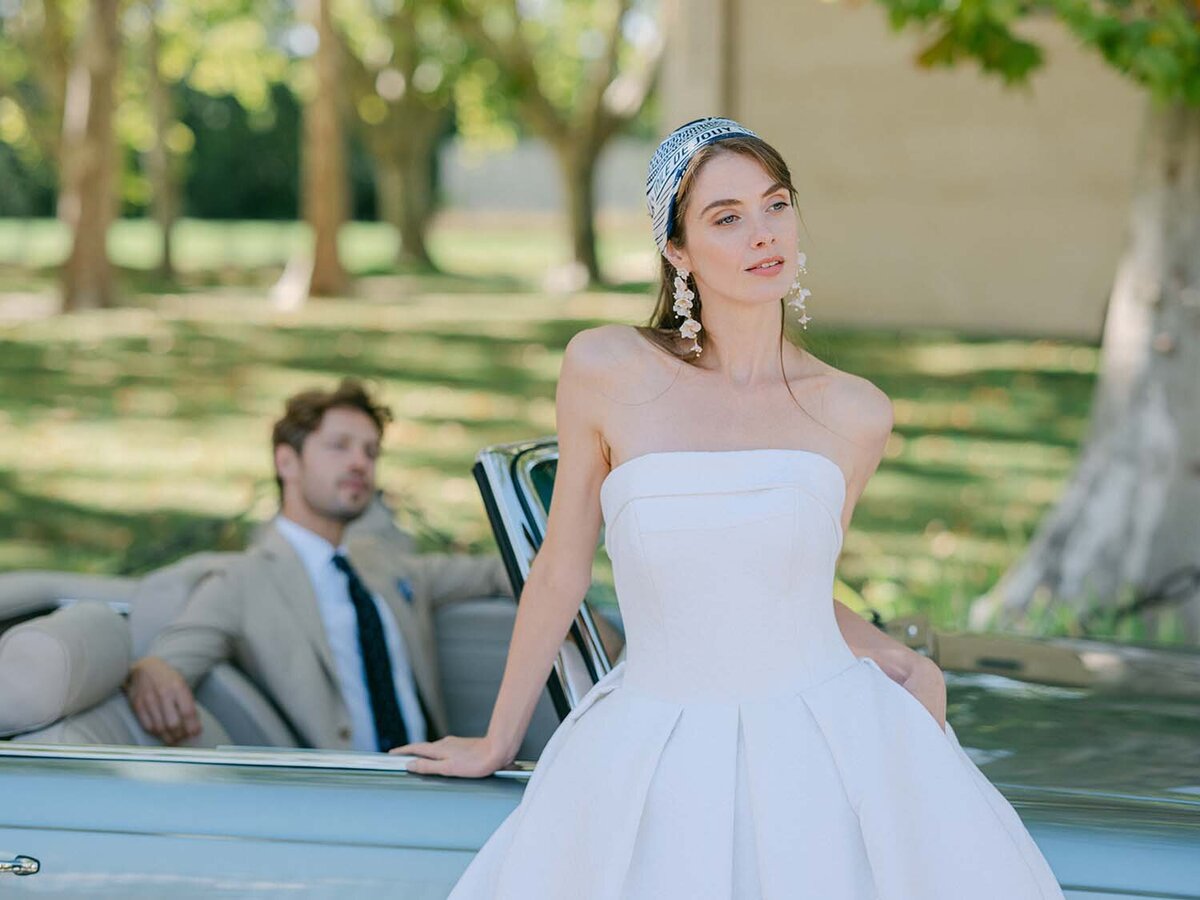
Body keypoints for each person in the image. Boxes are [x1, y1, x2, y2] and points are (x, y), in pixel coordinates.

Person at [395, 119, 1066, 898]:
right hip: (653, 738)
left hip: (826, 744)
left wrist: (896, 656)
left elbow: (791, 591)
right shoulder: (605, 367)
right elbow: (561, 567)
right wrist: (498, 738)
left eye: (775, 205)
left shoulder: (855, 412)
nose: (762, 234)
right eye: (726, 217)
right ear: (676, 250)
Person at [124, 378, 513, 752]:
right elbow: (171, 658)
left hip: (434, 778)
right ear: (287, 462)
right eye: (339, 446)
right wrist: (151, 671)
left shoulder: (386, 564)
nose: (360, 462)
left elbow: (497, 573)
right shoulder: (244, 579)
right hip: (342, 790)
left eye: (371, 451)